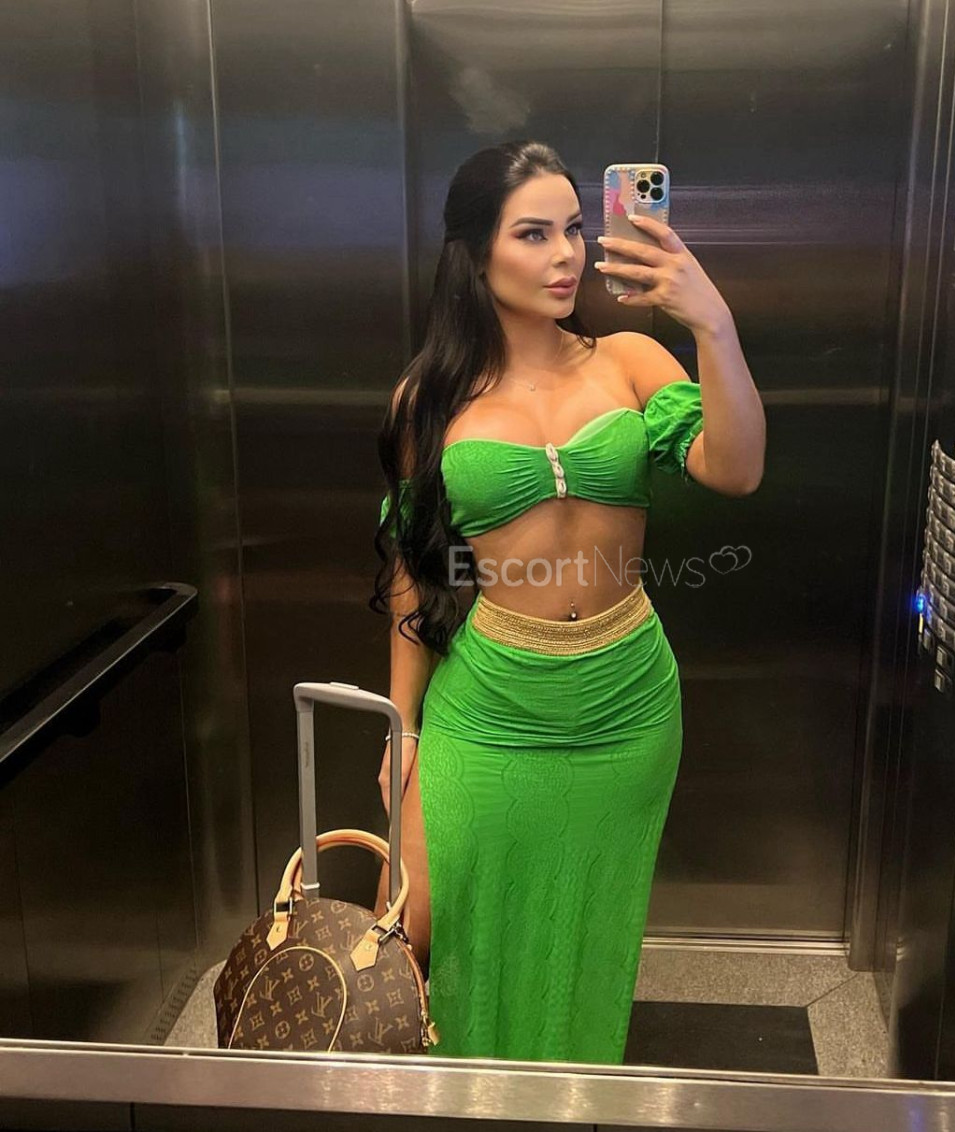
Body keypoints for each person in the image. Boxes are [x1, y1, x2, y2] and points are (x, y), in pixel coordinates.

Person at [369, 140, 765, 1064]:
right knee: (427, 924)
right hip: (490, 704)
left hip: (627, 705)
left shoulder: (628, 359)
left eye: (575, 230)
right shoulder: (428, 398)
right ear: (475, 254)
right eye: (534, 234)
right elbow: (414, 570)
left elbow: (736, 468)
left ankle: (570, 1099)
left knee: (587, 934)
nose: (567, 256)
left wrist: (714, 325)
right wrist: (402, 727)